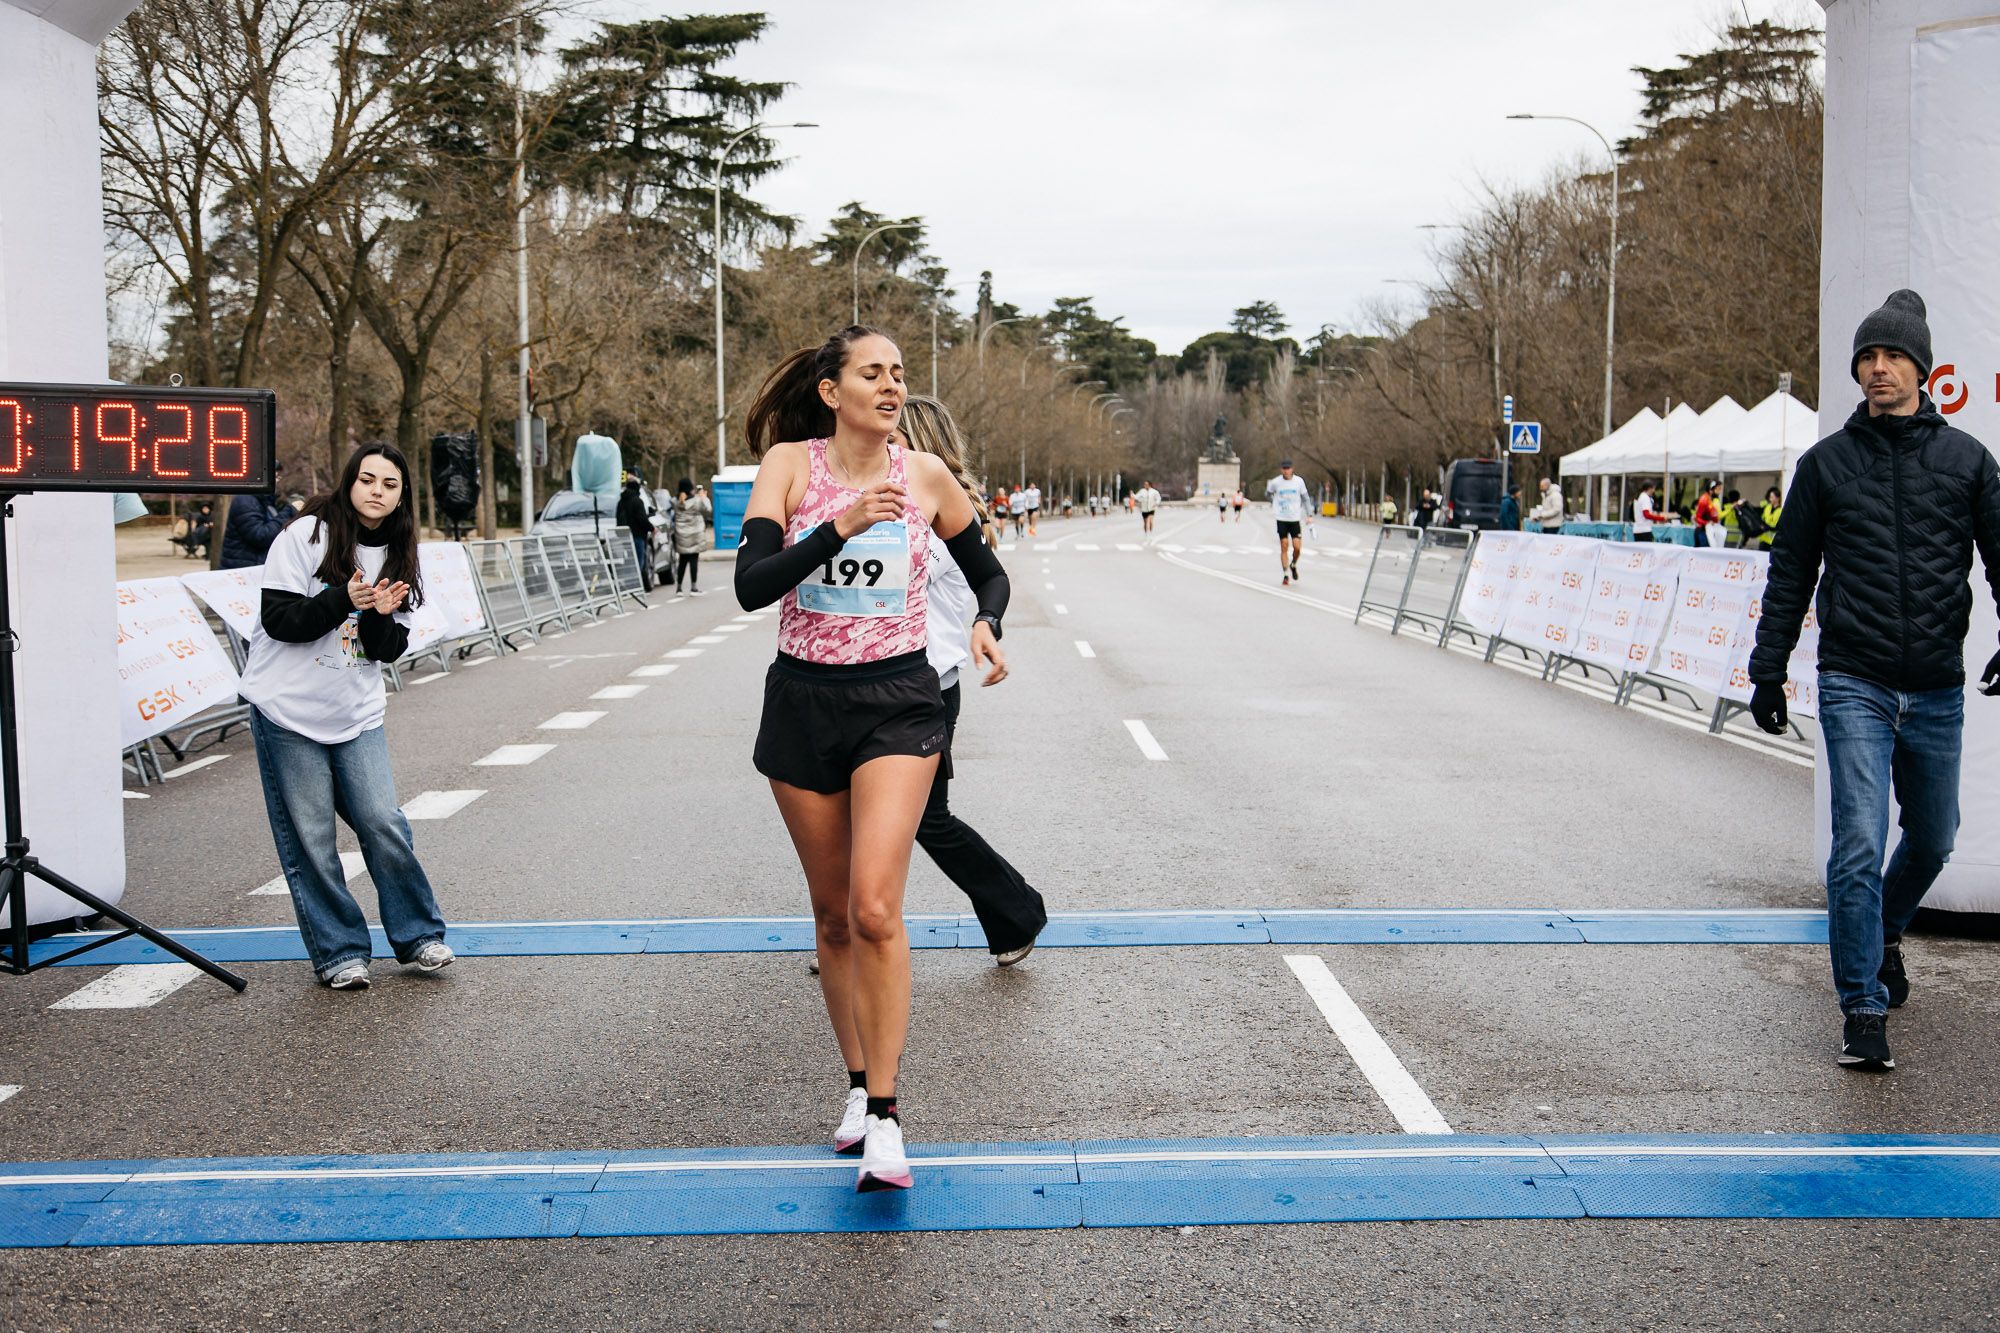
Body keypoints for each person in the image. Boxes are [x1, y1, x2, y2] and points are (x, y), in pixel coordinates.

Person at [734, 326, 1009, 1192]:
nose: (892, 387)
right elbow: (751, 584)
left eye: (898, 374)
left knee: (877, 907)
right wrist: (837, 527)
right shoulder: (788, 465)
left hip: (898, 700)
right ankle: (856, 1089)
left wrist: (985, 620)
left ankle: (888, 1117)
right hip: (804, 703)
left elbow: (990, 571)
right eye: (873, 373)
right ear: (832, 389)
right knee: (832, 916)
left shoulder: (924, 475)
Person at [1749, 288, 2000, 1073]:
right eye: (1867, 356)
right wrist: (1767, 669)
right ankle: (1862, 1004)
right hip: (1853, 678)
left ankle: (1887, 928)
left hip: (1935, 685)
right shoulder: (1825, 466)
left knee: (1935, 836)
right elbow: (1790, 573)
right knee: (1856, 841)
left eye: (1892, 355)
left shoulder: (1967, 460)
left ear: (1921, 367)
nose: (1878, 367)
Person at [236, 443, 451, 990]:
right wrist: (343, 599)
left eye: (390, 484)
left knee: (383, 823)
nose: (377, 490)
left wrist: (378, 615)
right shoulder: (305, 536)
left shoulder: (401, 551)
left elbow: (384, 649)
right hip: (288, 711)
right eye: (367, 479)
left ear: (402, 496)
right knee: (312, 838)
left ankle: (420, 936)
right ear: (349, 482)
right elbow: (280, 620)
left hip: (354, 711)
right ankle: (340, 953)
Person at [897, 398, 1046, 966]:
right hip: (879, 680)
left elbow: (989, 582)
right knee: (856, 817)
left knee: (928, 821)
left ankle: (1018, 912)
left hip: (927, 683)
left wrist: (987, 623)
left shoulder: (938, 514)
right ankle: (850, 933)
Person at [220, 464, 298, 569]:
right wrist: (288, 511)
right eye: (274, 476)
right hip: (243, 573)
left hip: (252, 569)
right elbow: (260, 536)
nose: (277, 481)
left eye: (277, 477)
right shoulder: (245, 501)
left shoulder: (265, 502)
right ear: (260, 477)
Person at [1266, 459, 1311, 586]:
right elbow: (1268, 493)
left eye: (1288, 468)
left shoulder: (1299, 481)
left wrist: (1309, 515)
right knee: (1284, 545)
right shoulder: (1275, 482)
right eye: (1284, 468)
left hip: (1295, 518)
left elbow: (1306, 498)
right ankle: (1286, 574)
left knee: (1297, 547)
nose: (1286, 471)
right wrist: (1274, 502)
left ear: (1292, 469)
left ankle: (1293, 564)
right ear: (1281, 470)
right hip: (1281, 518)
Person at [670, 477, 710, 594]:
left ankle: (679, 588)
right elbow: (708, 509)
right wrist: (703, 497)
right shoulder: (697, 501)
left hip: (681, 535)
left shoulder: (675, 501)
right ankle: (693, 587)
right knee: (693, 560)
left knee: (682, 561)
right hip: (695, 535)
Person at [616, 475, 654, 591]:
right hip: (637, 535)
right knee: (639, 562)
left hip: (624, 536)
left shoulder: (621, 502)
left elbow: (618, 518)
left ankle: (629, 583)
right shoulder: (637, 501)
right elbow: (642, 519)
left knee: (630, 561)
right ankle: (637, 585)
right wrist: (651, 528)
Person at [1693, 483, 1723, 547]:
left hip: (1707, 531)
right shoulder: (1704, 500)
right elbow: (1697, 518)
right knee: (1703, 554)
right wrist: (1707, 522)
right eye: (1717, 489)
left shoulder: (1711, 500)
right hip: (1702, 531)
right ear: (1710, 490)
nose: (1719, 491)